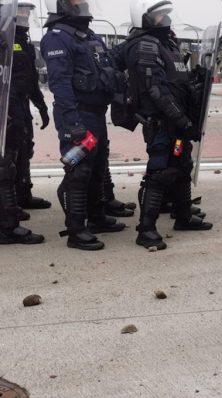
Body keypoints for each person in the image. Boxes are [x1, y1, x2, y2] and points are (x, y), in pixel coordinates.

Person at [117, 0, 212, 251]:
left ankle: (183, 216)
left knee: (182, 166)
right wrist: (182, 120)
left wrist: (196, 82)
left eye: (165, 14)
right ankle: (146, 229)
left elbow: (176, 82)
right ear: (144, 18)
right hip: (161, 123)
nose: (165, 20)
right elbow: (156, 91)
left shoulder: (166, 44)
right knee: (159, 174)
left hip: (177, 122)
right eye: (159, 15)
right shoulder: (145, 46)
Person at [41, 0, 128, 250]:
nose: (84, 4)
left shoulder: (88, 35)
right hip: (76, 113)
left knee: (98, 166)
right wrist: (73, 123)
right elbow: (60, 84)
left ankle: (97, 218)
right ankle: (76, 230)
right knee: (79, 172)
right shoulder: (57, 38)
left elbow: (108, 63)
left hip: (96, 113)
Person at [0, 0, 44, 245]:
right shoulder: (3, 37)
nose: (25, 15)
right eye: (21, 11)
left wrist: (41, 105)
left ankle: (19, 198)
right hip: (6, 104)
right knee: (5, 162)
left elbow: (30, 77)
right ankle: (6, 222)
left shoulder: (23, 40)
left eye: (28, 11)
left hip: (20, 103)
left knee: (23, 149)